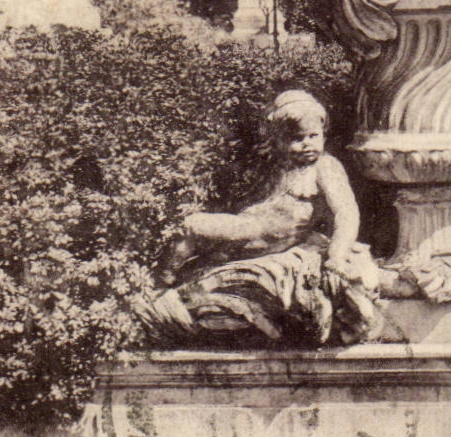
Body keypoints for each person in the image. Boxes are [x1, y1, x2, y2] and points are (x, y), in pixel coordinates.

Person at [138, 90, 381, 345]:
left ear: (323, 134)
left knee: (191, 227)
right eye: (297, 138)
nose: (308, 144)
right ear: (277, 139)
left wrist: (337, 256)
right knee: (193, 240)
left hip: (259, 234)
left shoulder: (325, 166)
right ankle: (163, 286)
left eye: (314, 136)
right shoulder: (279, 167)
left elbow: (346, 212)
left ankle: (159, 284)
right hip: (250, 229)